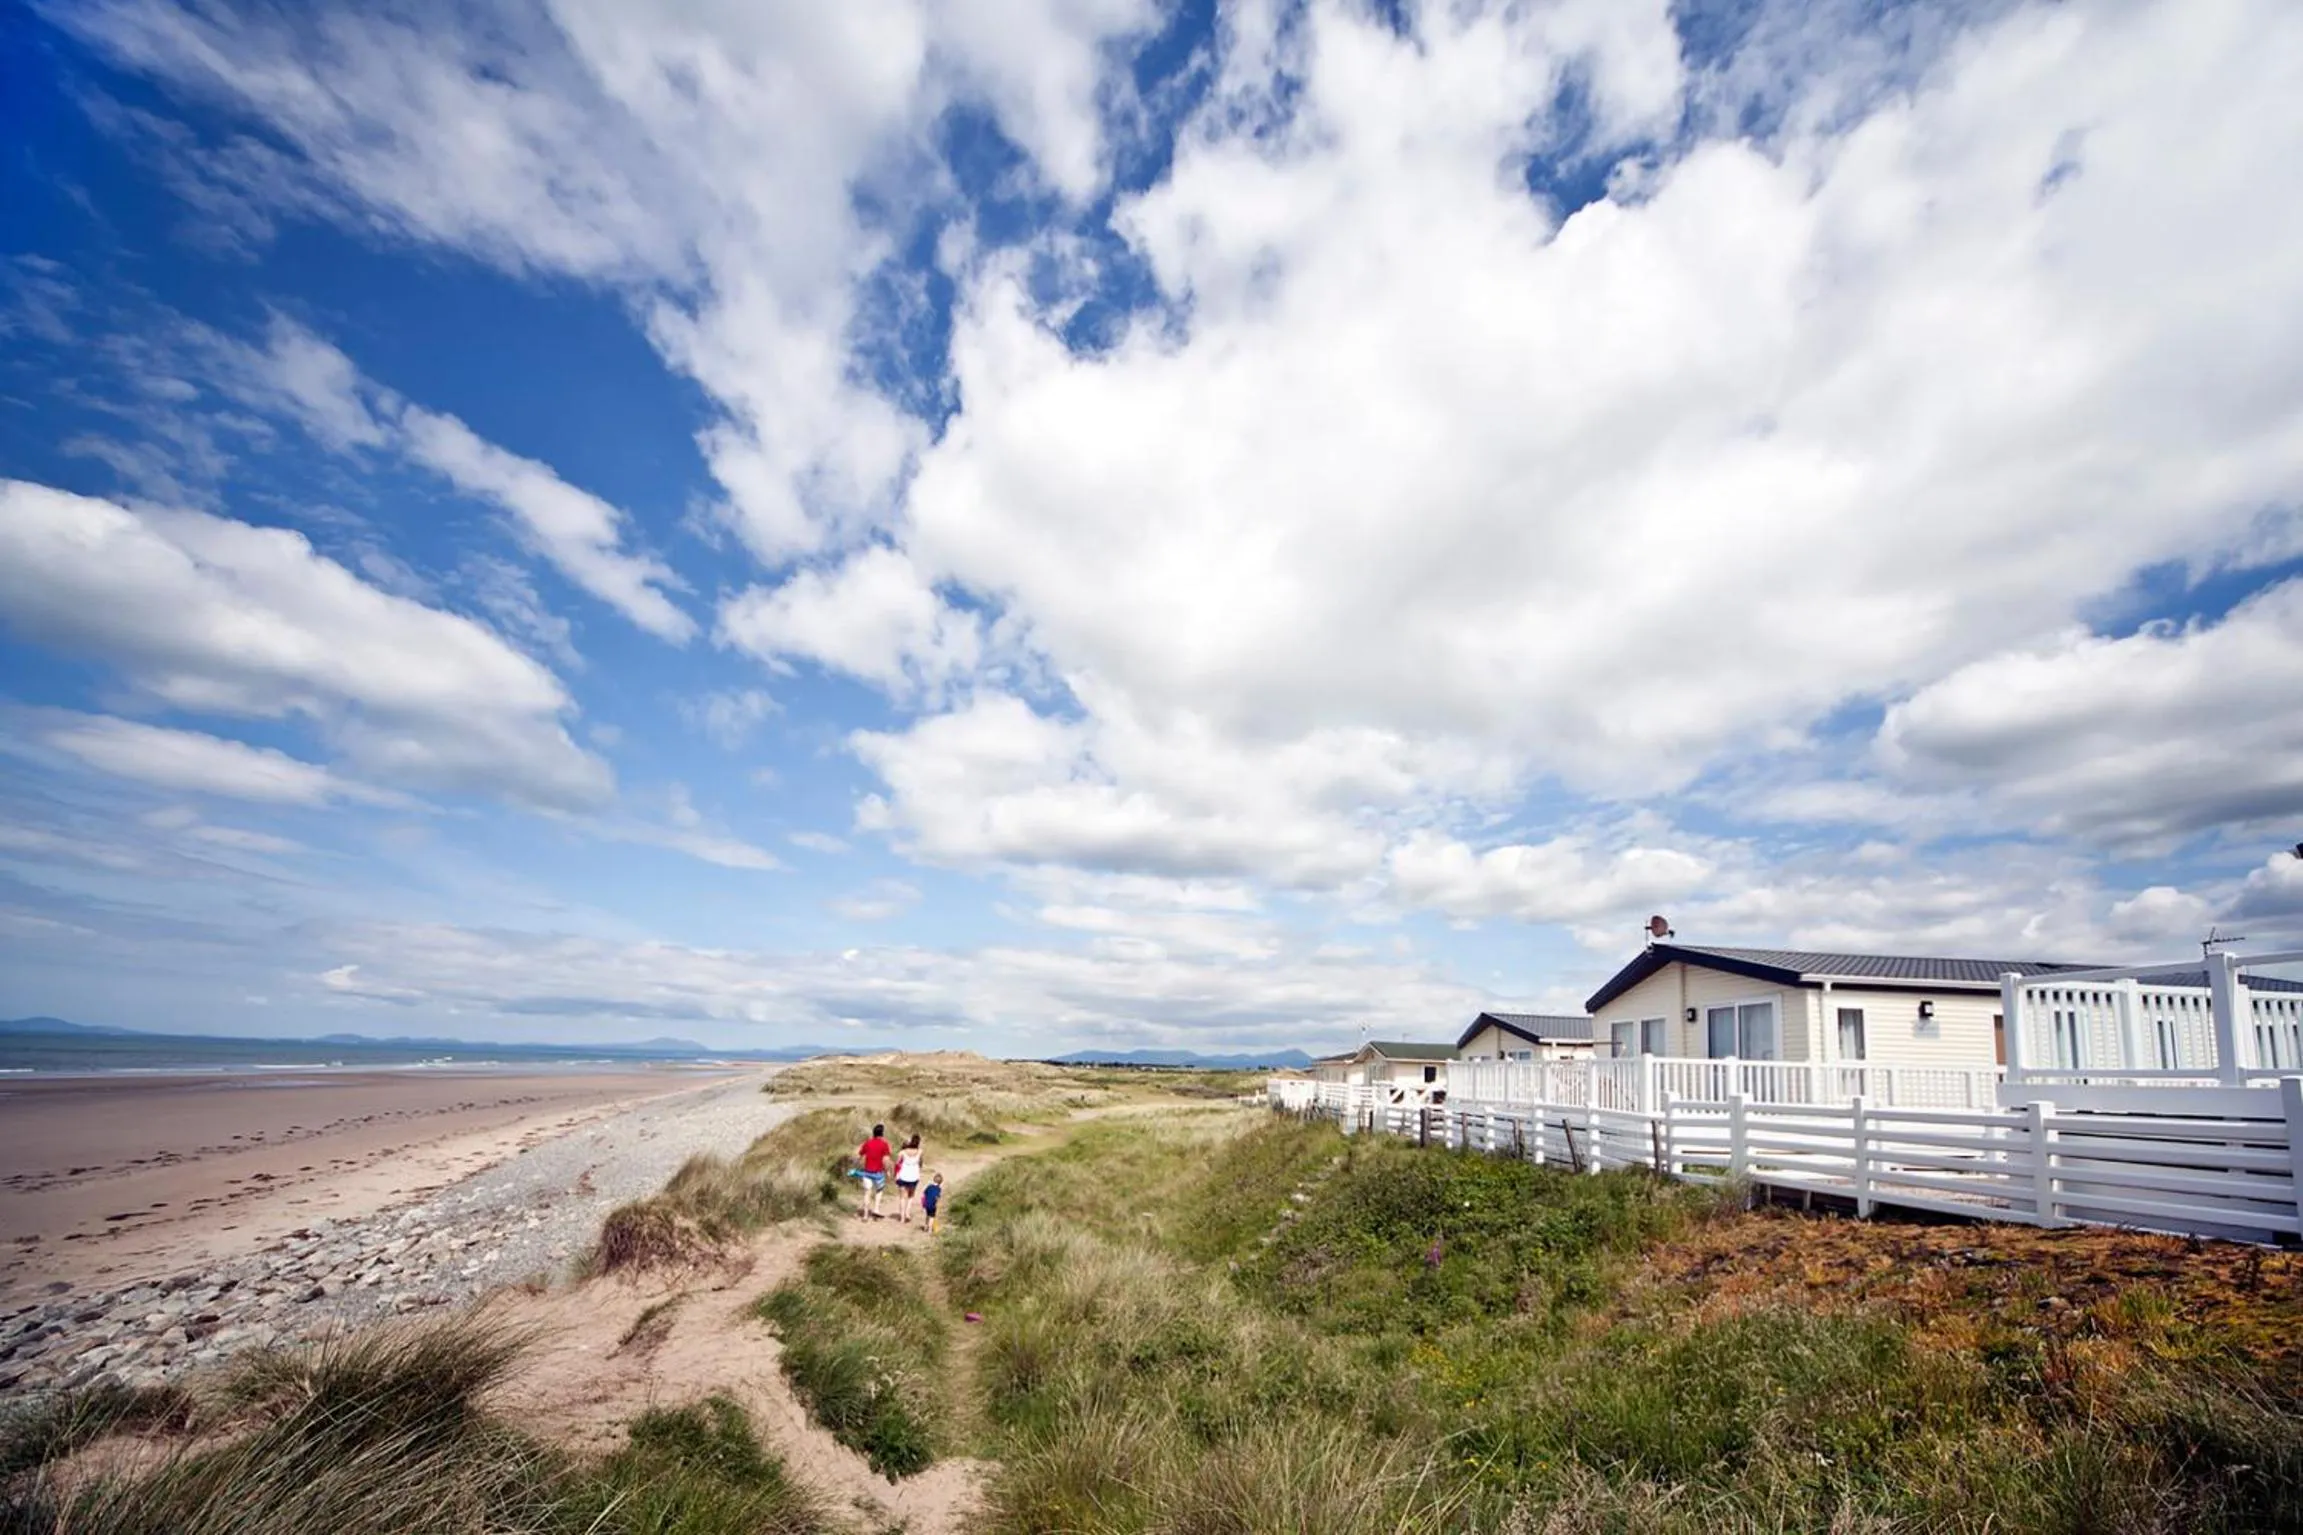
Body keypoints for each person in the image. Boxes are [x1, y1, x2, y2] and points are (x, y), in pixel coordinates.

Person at [855, 1122, 892, 1220]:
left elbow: (860, 1155)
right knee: (879, 1190)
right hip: (878, 1173)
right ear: (882, 1133)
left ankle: (865, 1215)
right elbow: (886, 1160)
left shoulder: (868, 1143)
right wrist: (888, 1171)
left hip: (867, 1172)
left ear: (873, 1133)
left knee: (867, 1193)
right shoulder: (884, 1144)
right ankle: (876, 1209)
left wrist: (856, 1166)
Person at [893, 1133, 924, 1223]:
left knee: (902, 1197)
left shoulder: (902, 1152)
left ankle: (902, 1218)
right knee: (911, 1196)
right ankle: (907, 1213)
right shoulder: (920, 1151)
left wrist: (895, 1174)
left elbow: (897, 1164)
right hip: (914, 1176)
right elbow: (921, 1163)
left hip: (903, 1175)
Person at [920, 1172, 944, 1236]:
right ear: (940, 1182)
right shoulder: (938, 1189)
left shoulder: (929, 1186)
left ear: (934, 1180)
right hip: (933, 1205)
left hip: (927, 1204)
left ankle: (925, 1227)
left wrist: (923, 1202)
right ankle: (930, 1229)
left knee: (927, 1215)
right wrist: (938, 1202)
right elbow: (937, 1197)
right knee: (932, 1217)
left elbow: (924, 1193)